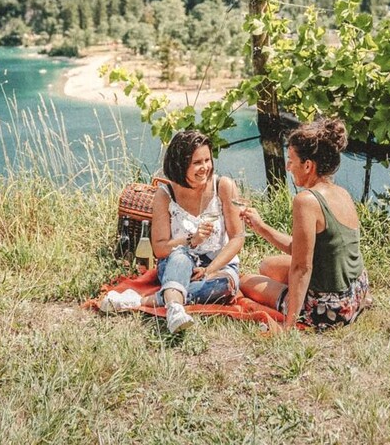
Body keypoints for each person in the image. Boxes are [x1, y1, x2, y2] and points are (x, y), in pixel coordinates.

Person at [100, 129, 245, 333]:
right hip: (178, 263)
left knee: (224, 286)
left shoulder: (223, 186)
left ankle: (145, 300)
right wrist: (192, 240)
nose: (205, 167)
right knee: (180, 256)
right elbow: (160, 249)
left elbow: (237, 238)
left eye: (207, 160)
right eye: (197, 162)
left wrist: (210, 270)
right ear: (180, 164)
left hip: (218, 265)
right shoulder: (165, 194)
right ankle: (176, 309)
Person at [239, 117, 370, 330]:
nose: (288, 167)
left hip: (331, 309)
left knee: (246, 282)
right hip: (357, 293)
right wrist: (260, 227)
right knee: (267, 265)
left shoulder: (306, 201)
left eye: (291, 160)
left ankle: (299, 308)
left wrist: (289, 325)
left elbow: (302, 267)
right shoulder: (341, 193)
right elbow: (302, 249)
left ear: (308, 165)